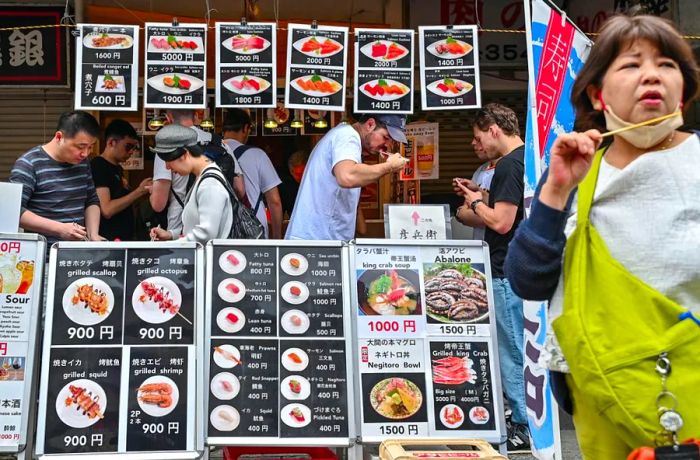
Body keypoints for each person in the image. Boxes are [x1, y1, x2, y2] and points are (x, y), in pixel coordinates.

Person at [505, 15, 700, 460]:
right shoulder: (580, 174)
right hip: (598, 395)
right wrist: (555, 190)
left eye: (667, 64)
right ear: (598, 93)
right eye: (631, 65)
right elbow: (528, 282)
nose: (651, 74)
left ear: (683, 91)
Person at [453, 103, 529, 453]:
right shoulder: (525, 159)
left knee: (512, 350)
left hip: (505, 269)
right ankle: (524, 419)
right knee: (517, 347)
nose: (478, 142)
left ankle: (523, 425)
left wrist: (474, 202)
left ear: (494, 129)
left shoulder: (510, 165)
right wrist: (482, 193)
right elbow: (509, 205)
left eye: (479, 135)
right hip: (519, 268)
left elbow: (501, 222)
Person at [285, 115, 408, 241]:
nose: (387, 145)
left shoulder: (343, 136)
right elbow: (346, 176)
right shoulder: (348, 136)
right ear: (370, 124)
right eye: (385, 137)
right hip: (317, 242)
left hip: (322, 240)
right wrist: (389, 166)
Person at [9, 110, 103, 244]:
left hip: (78, 254)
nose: (85, 153)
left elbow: (91, 200)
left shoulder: (83, 163)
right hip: (43, 255)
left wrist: (93, 235)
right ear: (59, 137)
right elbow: (15, 211)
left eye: (90, 147)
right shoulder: (29, 164)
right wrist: (59, 229)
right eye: (80, 146)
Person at [149, 109, 244, 238]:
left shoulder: (210, 185)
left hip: (208, 256)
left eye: (168, 161)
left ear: (185, 154)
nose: (167, 167)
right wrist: (170, 234)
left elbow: (205, 235)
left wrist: (175, 242)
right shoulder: (203, 179)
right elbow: (196, 228)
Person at [222, 109, 283, 239]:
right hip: (253, 228)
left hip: (221, 227)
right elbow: (274, 201)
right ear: (245, 128)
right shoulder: (257, 155)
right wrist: (277, 237)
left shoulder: (212, 154)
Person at [90, 119, 152, 241]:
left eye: (134, 147)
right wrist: (138, 192)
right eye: (128, 146)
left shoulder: (118, 168)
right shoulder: (99, 166)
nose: (131, 152)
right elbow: (106, 209)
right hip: (108, 240)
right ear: (111, 142)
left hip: (122, 239)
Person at [453, 136, 496, 240]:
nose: (472, 143)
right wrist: (460, 213)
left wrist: (461, 213)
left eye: (478, 138)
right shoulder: (480, 170)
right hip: (481, 247)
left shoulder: (511, 169)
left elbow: (501, 219)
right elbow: (465, 211)